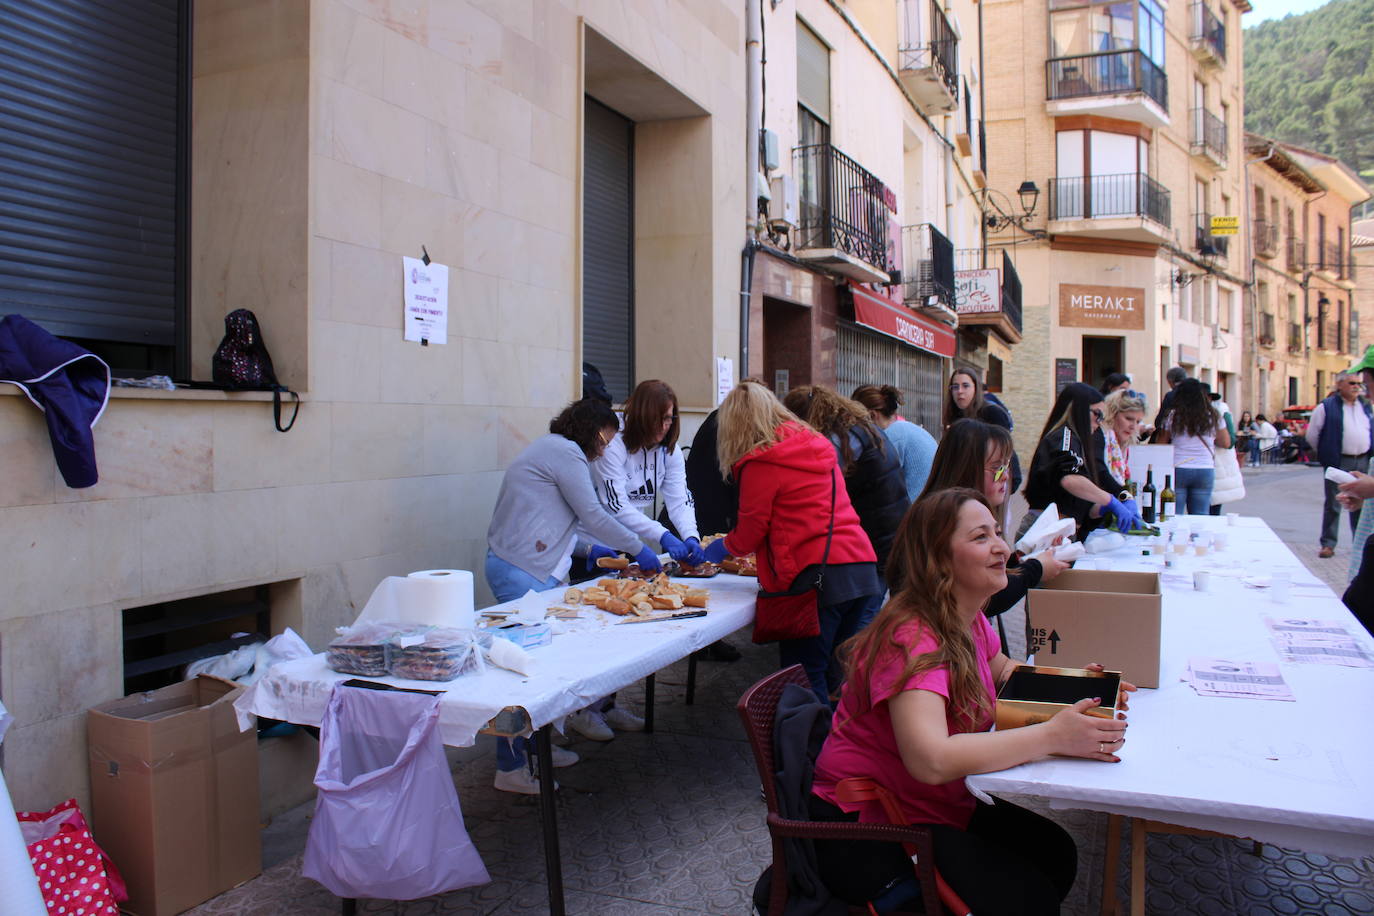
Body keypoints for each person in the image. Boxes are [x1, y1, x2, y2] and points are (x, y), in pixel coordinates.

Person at [807, 488, 1134, 914]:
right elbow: (931, 760)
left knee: (1054, 853)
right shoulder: (913, 638)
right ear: (939, 560)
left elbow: (1003, 673)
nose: (1001, 546)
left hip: (929, 803)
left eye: (997, 532)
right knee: (1029, 895)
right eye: (980, 537)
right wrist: (1052, 734)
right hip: (868, 826)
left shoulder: (963, 616)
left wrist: (1082, 689)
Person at [485, 398, 658, 792]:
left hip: (523, 567)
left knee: (539, 669)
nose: (606, 448)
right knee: (523, 676)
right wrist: (638, 548)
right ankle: (510, 766)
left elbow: (558, 521)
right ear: (594, 431)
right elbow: (594, 514)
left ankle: (535, 751)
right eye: (607, 439)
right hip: (521, 572)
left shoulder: (552, 450)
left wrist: (592, 552)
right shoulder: (565, 452)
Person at [702, 381, 884, 704]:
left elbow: (749, 534)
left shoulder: (761, 461)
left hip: (818, 580)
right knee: (839, 680)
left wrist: (714, 550)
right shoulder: (817, 444)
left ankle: (812, 753)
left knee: (804, 677)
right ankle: (842, 747)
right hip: (862, 571)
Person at [903, 419, 1069, 654]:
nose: (1006, 476)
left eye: (1008, 466)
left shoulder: (961, 513)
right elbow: (989, 598)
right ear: (966, 467)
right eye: (997, 467)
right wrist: (1035, 569)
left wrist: (1021, 558)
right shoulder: (939, 521)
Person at [784, 386, 910, 577]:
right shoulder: (858, 427)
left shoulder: (842, 439)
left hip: (878, 535)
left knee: (873, 597)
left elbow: (821, 485)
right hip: (891, 528)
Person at [1019, 382, 1142, 541]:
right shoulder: (1063, 436)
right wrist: (1110, 500)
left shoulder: (1076, 441)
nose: (1100, 421)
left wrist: (1103, 508)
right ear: (1079, 411)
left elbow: (1076, 501)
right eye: (1097, 414)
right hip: (1044, 531)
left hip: (1059, 532)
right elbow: (1070, 478)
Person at [1305, 371, 1373, 558]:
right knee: (1334, 503)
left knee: (1361, 503)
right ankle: (1328, 544)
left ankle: (1359, 544)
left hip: (1363, 458)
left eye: (1359, 384)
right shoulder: (1326, 407)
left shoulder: (1365, 406)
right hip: (1338, 460)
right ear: (1339, 385)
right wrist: (1327, 453)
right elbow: (1312, 435)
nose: (1356, 387)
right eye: (1351, 383)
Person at [1154, 379, 1231, 516]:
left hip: (1178, 467)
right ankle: (1198, 537)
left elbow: (1161, 445)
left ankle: (1174, 537)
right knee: (1200, 515)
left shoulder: (1173, 415)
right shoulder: (1213, 416)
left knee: (1173, 514)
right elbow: (1226, 442)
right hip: (1204, 468)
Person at [851, 384, 938, 502]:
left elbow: (875, 481)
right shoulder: (906, 429)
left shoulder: (891, 437)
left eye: (858, 421)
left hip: (915, 510)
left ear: (872, 415)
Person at [944, 367, 1021, 493]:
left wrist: (997, 484)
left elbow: (1005, 457)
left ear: (976, 388)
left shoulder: (992, 413)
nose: (960, 391)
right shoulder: (954, 416)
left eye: (965, 386)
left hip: (993, 488)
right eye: (955, 387)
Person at [1206, 386, 1244, 515]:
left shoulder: (1221, 411)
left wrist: (1212, 437)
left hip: (1219, 463)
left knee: (1214, 505)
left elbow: (1230, 440)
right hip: (1211, 462)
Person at [1101, 389, 1146, 487]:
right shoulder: (1101, 439)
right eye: (1129, 419)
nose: (1133, 426)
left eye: (1138, 422)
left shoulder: (1126, 444)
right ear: (1112, 414)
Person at [1148, 366, 1189, 440]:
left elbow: (1161, 420)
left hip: (1175, 437)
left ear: (1170, 381)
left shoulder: (1171, 395)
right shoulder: (1198, 394)